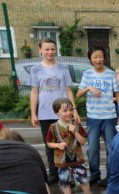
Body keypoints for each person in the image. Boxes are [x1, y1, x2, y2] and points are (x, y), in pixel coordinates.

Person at [29, 37, 80, 185]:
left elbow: (68, 90)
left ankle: (69, 175)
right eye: (47, 49)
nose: (50, 52)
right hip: (45, 114)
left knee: (68, 143)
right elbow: (34, 92)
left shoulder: (63, 68)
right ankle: (53, 173)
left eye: (52, 48)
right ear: (40, 50)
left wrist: (74, 109)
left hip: (64, 114)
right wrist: (34, 113)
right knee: (50, 145)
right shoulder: (35, 69)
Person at [46, 97, 102, 194]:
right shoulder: (53, 127)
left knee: (83, 179)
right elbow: (49, 143)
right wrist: (57, 145)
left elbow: (82, 141)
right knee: (64, 181)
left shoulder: (76, 124)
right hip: (62, 161)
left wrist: (75, 132)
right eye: (65, 110)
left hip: (77, 159)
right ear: (57, 112)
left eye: (70, 110)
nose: (69, 113)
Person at [77, 45, 119, 188]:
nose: (98, 59)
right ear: (90, 59)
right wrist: (89, 88)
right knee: (92, 148)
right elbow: (78, 94)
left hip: (109, 116)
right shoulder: (87, 74)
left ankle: (110, 176)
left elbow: (117, 94)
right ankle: (95, 175)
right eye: (95, 57)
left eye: (100, 56)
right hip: (93, 117)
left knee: (110, 148)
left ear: (104, 57)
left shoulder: (111, 74)